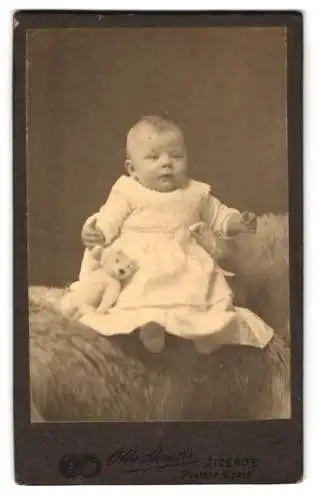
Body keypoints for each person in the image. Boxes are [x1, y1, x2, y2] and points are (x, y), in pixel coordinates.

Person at [77, 115, 274, 354]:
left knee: (200, 295)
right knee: (142, 296)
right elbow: (109, 218)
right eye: (153, 157)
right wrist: (97, 232)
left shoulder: (195, 192)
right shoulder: (127, 191)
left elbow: (219, 216)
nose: (166, 163)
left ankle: (206, 332)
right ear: (132, 168)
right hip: (141, 264)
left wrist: (237, 222)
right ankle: (151, 328)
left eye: (176, 156)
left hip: (186, 262)